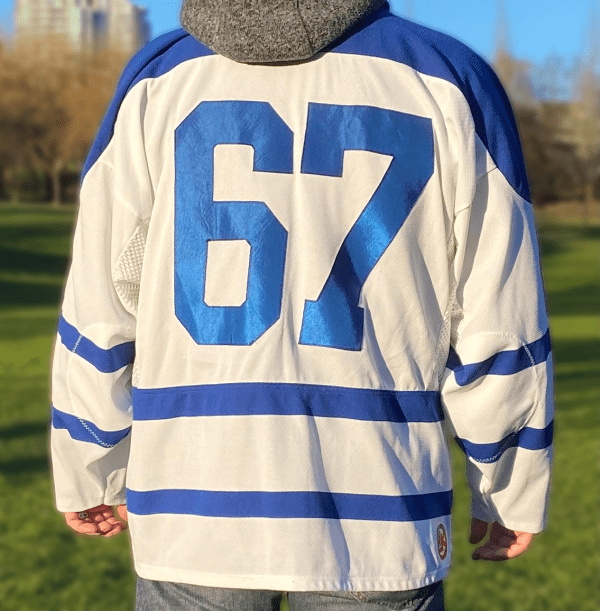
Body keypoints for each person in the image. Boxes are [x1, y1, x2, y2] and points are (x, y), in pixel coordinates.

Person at [51, 1, 553, 609]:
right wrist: (508, 483)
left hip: (192, 502)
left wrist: (88, 461)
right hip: (380, 505)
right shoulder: (446, 77)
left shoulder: (158, 79)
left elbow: (103, 300)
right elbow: (499, 310)